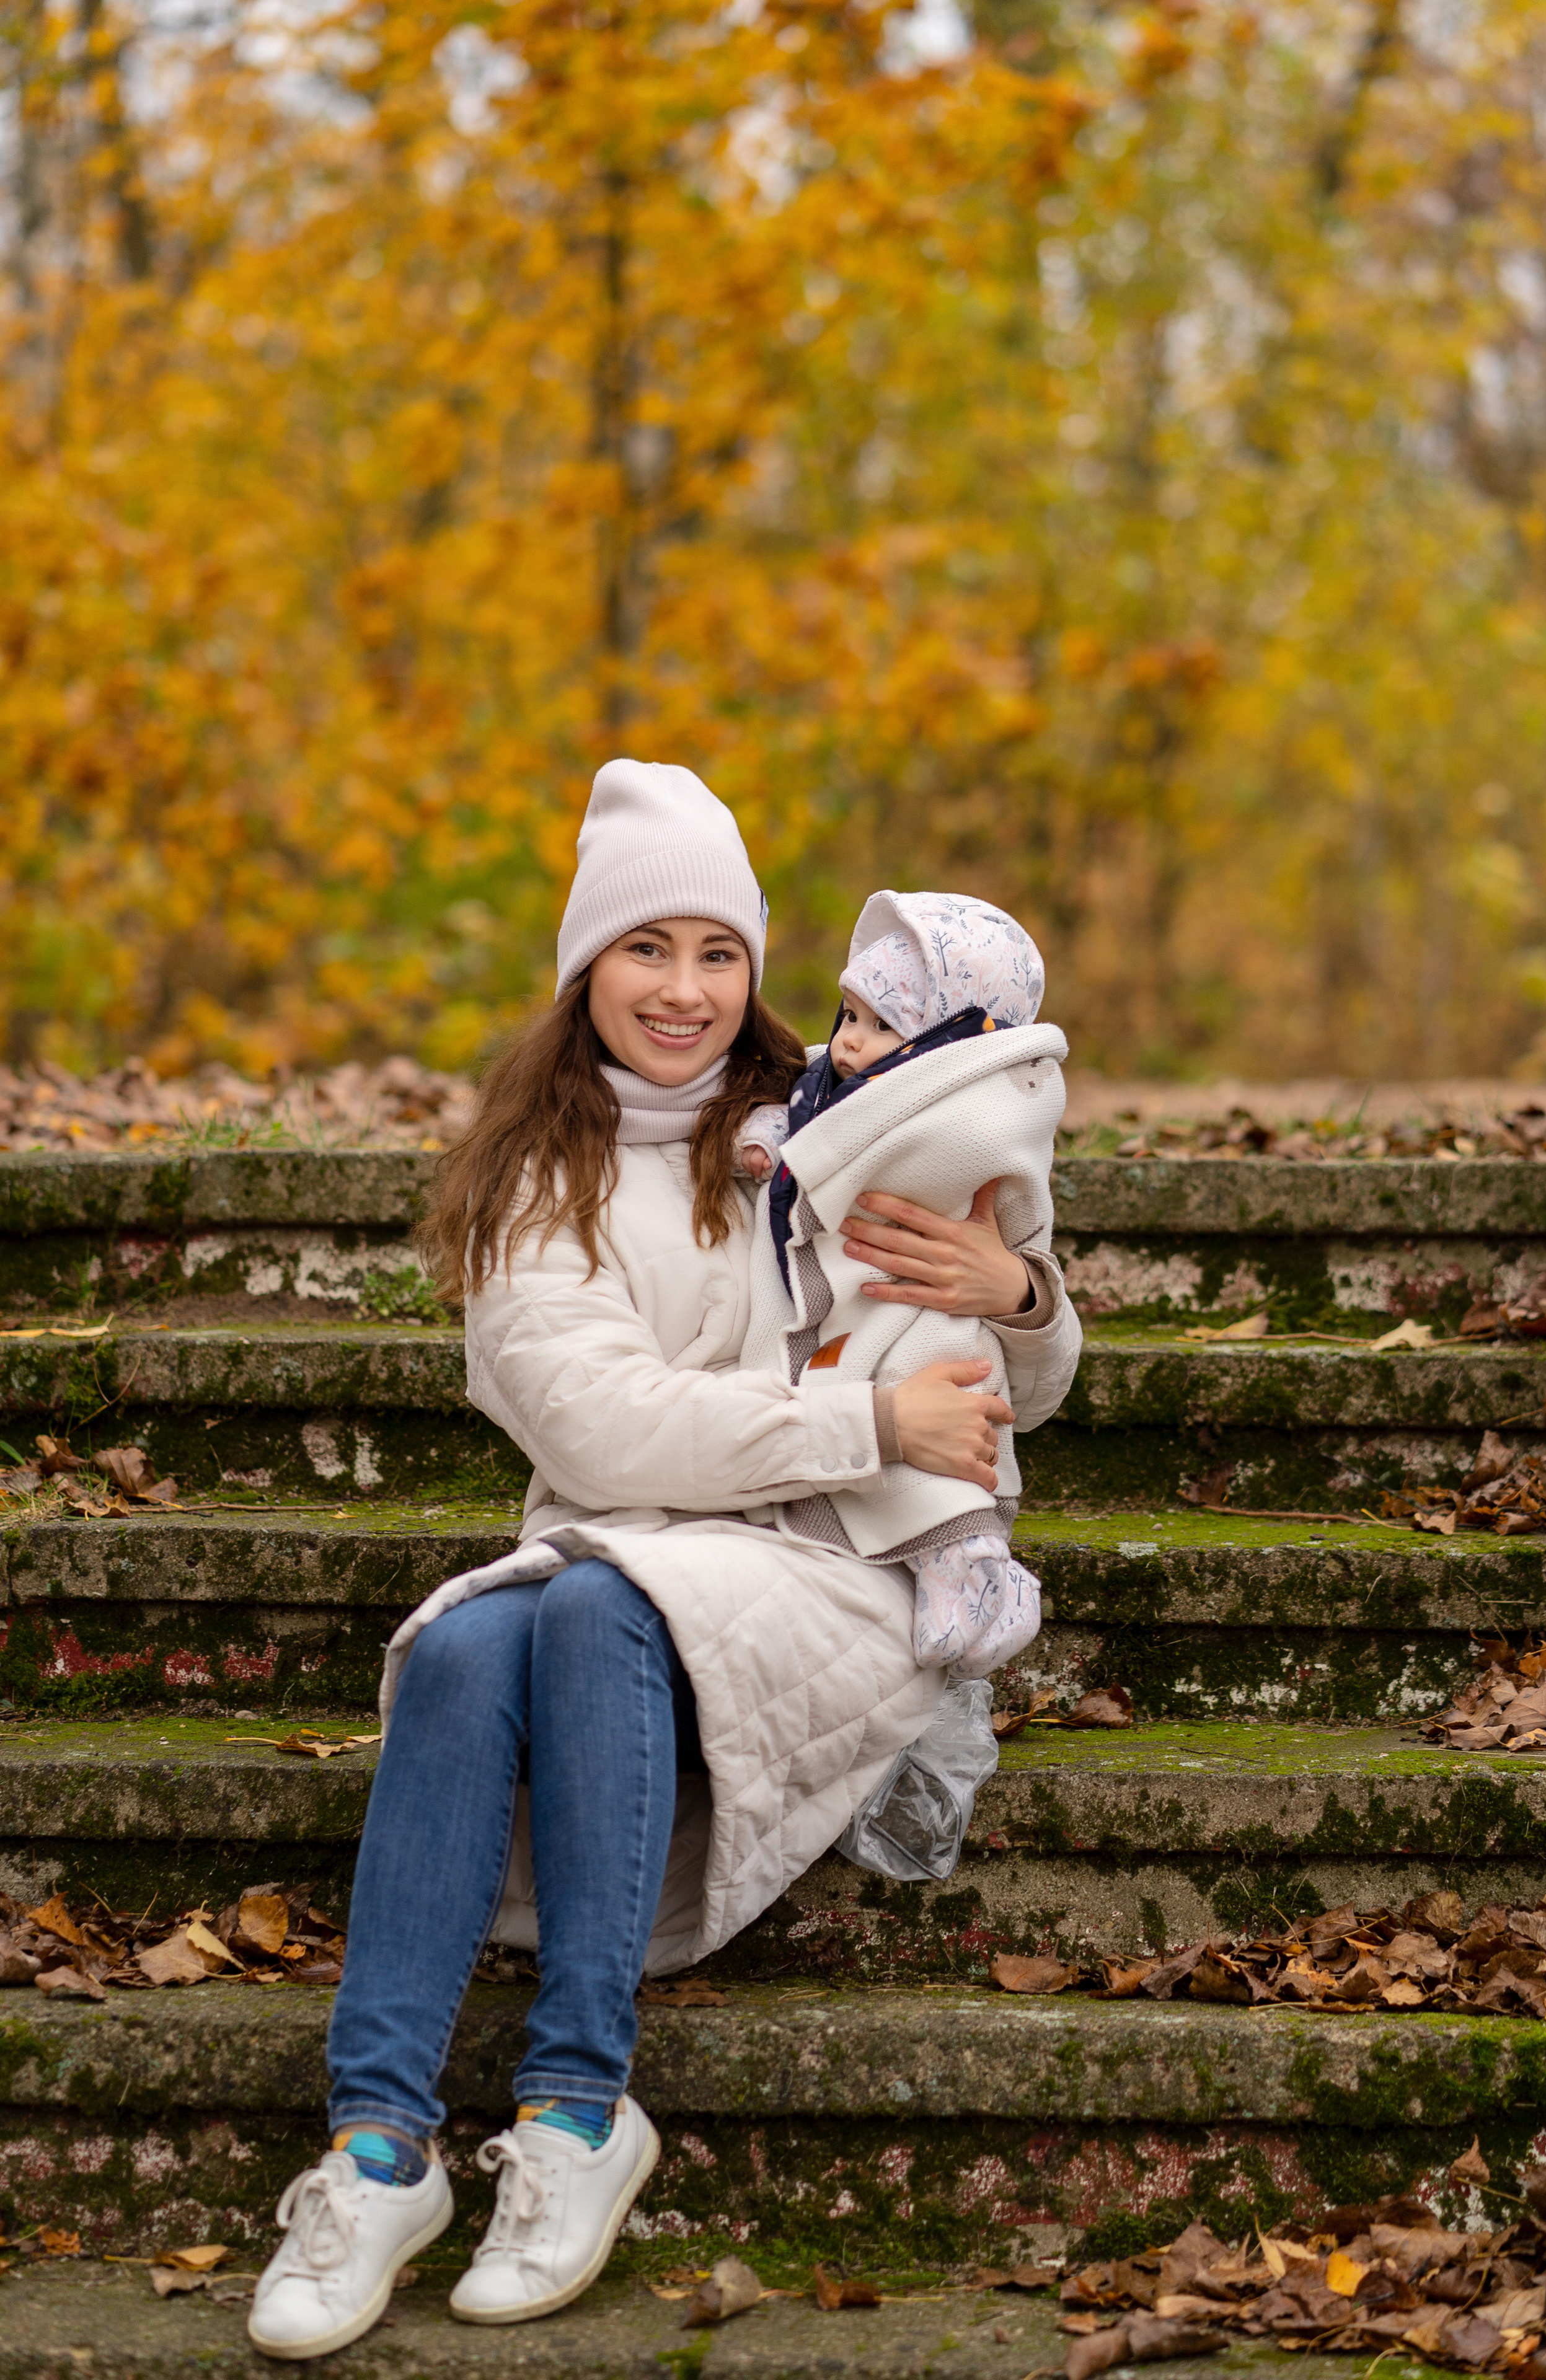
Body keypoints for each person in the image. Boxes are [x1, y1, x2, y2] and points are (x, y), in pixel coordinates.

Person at [247, 760, 1081, 2362]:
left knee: (590, 1594)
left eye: (721, 952)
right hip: (627, 1561)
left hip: (834, 1574)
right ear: (585, 968)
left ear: (757, 967)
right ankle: (372, 2154)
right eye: (648, 950)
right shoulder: (526, 1187)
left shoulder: (842, 1115)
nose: (687, 991)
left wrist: (1021, 1289)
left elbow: (995, 1393)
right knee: (479, 1637)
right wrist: (864, 1423)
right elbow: (609, 1430)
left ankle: (572, 2106)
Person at [733, 889, 1067, 1678]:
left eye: (880, 1026)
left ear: (955, 1039)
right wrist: (758, 1142)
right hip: (814, 1378)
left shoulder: (982, 1114)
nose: (849, 1044)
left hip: (924, 1327)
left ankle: (972, 1569)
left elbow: (1041, 1382)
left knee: (942, 1388)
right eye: (847, 1016)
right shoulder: (823, 1083)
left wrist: (1020, 1291)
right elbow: (787, 1119)